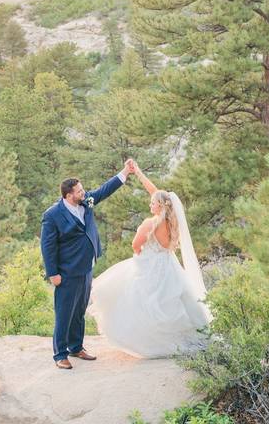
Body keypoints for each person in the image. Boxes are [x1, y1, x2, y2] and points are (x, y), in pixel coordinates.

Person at [87, 161, 211, 358]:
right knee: (175, 301)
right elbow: (157, 193)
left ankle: (150, 343)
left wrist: (140, 254)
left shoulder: (150, 223)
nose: (149, 203)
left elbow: (136, 245)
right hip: (169, 263)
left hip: (150, 264)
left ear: (159, 206)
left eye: (152, 203)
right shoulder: (172, 218)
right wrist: (139, 173)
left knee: (139, 300)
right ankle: (186, 339)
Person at [40, 158, 136, 370]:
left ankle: (76, 347)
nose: (84, 193)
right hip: (66, 272)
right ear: (68, 195)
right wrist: (53, 273)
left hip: (86, 268)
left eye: (83, 190)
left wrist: (125, 173)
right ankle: (60, 354)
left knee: (79, 310)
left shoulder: (87, 201)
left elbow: (103, 190)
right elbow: (47, 247)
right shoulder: (53, 215)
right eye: (79, 191)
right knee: (64, 312)